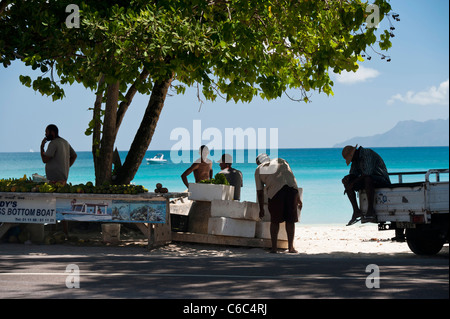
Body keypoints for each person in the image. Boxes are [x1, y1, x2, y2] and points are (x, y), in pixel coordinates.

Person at [254, 153, 302, 253]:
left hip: (276, 193)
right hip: (291, 190)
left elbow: (260, 192)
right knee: (290, 220)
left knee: (275, 221)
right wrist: (298, 197)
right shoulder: (281, 160)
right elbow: (292, 177)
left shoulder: (258, 169)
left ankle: (274, 248)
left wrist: (261, 208)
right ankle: (291, 248)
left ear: (258, 162)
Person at [341, 144, 391, 226]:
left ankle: (370, 210)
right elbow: (354, 173)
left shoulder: (367, 153)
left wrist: (353, 183)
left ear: (354, 154)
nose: (352, 161)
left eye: (351, 159)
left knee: (368, 178)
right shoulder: (356, 159)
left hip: (381, 179)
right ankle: (356, 211)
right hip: (368, 180)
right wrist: (348, 178)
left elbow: (367, 173)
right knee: (347, 181)